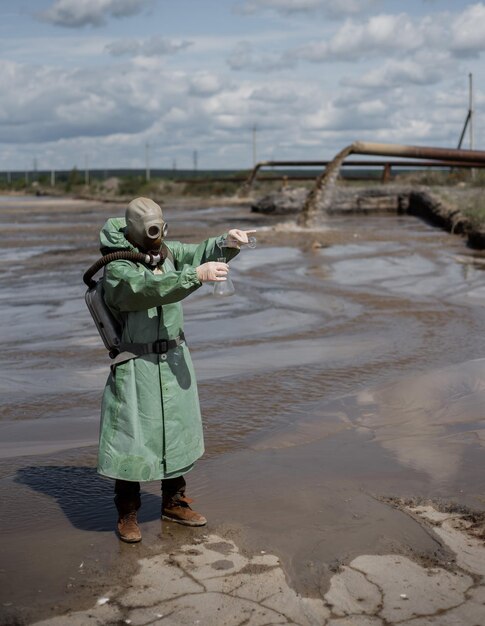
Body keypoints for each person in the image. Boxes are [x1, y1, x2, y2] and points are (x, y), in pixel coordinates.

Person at [96, 197, 254, 543]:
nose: (157, 238)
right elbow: (144, 291)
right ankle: (127, 512)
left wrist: (225, 243)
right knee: (132, 437)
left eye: (160, 229)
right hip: (136, 363)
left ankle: (174, 501)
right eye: (151, 231)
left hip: (174, 358)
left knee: (178, 432)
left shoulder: (165, 254)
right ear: (133, 232)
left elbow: (197, 253)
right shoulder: (118, 268)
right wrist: (195, 277)